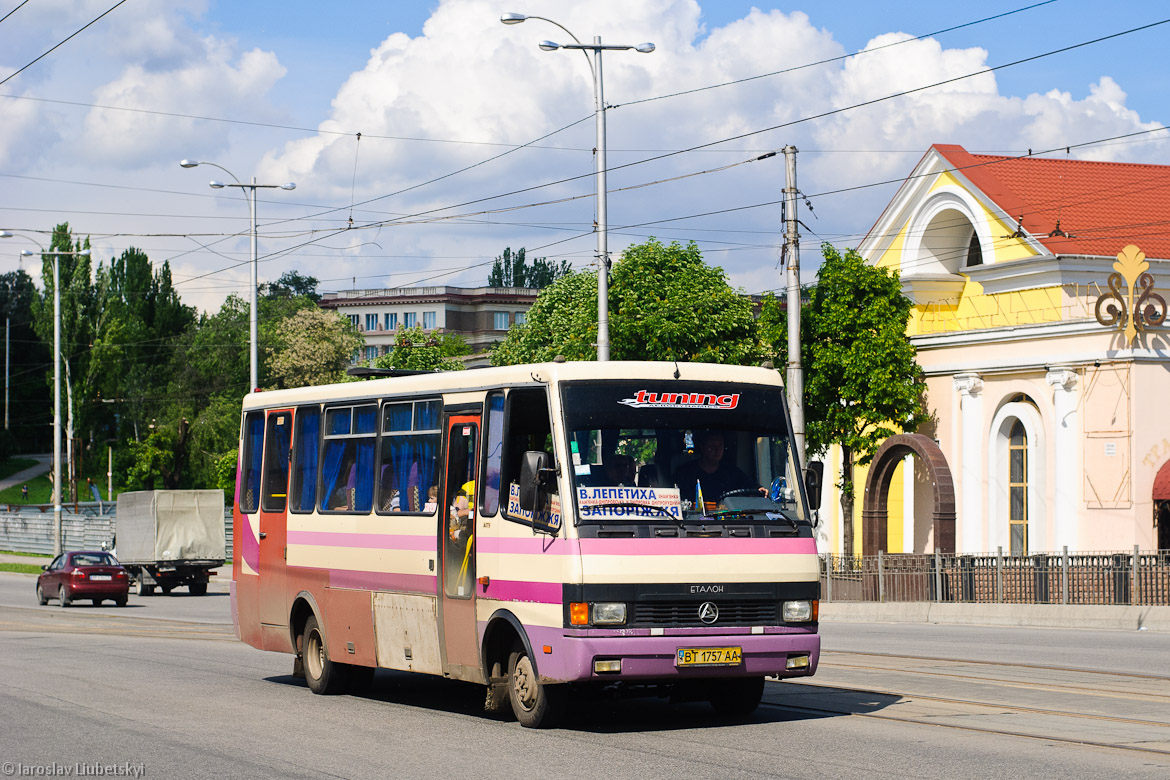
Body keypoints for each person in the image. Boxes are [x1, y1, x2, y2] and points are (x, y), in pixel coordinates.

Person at [671, 430, 759, 504]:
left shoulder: (732, 472)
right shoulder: (685, 473)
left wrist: (759, 490)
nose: (717, 450)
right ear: (702, 447)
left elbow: (751, 488)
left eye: (720, 445)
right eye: (712, 446)